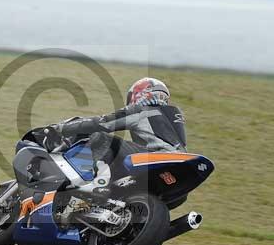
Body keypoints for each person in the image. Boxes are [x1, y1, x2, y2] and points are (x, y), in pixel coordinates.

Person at [54, 77, 187, 187]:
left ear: (141, 94)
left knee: (100, 137)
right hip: (180, 173)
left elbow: (103, 123)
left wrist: (60, 127)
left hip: (157, 160)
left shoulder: (141, 109)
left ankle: (86, 180)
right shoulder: (175, 114)